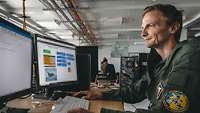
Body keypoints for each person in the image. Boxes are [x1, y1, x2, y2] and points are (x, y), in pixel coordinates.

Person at [68, 4, 200, 113]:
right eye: (143, 28)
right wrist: (101, 94)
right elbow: (134, 92)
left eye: (151, 26)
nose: (143, 33)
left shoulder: (189, 54)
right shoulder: (158, 63)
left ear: (173, 27)